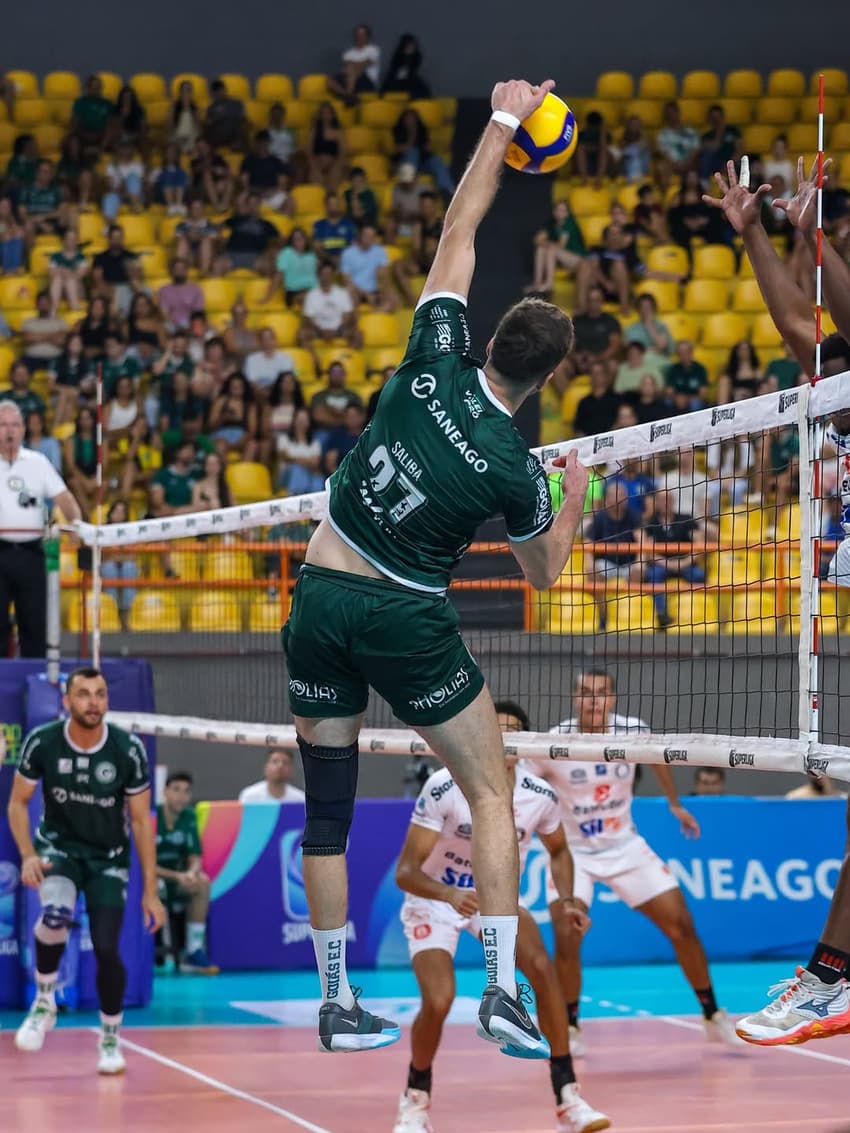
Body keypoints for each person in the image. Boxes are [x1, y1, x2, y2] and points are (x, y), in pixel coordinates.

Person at [280, 78, 587, 1057]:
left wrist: (500, 119)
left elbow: (459, 230)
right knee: (494, 788)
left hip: (320, 592)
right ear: (545, 377)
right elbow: (542, 573)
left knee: (326, 806)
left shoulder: (430, 357)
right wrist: (572, 494)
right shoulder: (514, 465)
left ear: (487, 337)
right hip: (403, 617)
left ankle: (335, 1004)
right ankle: (500, 987)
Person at [704, 157, 850, 1046]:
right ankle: (830, 976)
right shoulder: (836, 385)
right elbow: (803, 324)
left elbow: (826, 310)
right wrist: (757, 232)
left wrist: (814, 235)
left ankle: (830, 977)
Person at [392, 700, 608, 1133]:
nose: (505, 739)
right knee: (439, 1000)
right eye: (497, 730)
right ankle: (414, 1101)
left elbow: (561, 851)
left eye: (514, 732)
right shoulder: (443, 786)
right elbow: (406, 873)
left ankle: (568, 1096)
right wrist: (449, 894)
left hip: (494, 898)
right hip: (436, 898)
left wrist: (567, 899)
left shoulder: (540, 795)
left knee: (543, 972)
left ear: (526, 742)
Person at [528, 669, 743, 1055]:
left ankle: (712, 1013)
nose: (594, 700)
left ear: (613, 699)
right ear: (574, 699)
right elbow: (523, 788)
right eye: (586, 693)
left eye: (602, 693)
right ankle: (571, 1024)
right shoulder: (551, 744)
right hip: (572, 854)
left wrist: (674, 803)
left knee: (682, 926)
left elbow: (658, 760)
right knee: (567, 936)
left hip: (625, 846)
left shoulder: (634, 731)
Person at [8, 668, 165, 1072]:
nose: (93, 702)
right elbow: (17, 803)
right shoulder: (43, 742)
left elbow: (143, 821)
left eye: (100, 694)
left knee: (108, 948)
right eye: (83, 694)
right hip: (58, 848)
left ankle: (110, 1039)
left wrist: (150, 891)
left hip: (109, 857)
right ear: (67, 701)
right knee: (56, 915)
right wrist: (27, 853)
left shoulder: (126, 749)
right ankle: (45, 1000)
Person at [0, 402, 81, 656]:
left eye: (14, 425)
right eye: (3, 425)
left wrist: (76, 524)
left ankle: (34, 682)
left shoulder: (38, 462)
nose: (9, 431)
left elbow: (64, 498)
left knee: (35, 623)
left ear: (24, 430)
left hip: (32, 554)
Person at [155, 771, 218, 973]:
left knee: (202, 883)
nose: (181, 796)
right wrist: (176, 876)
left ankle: (194, 950)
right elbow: (144, 864)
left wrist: (191, 873)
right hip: (152, 881)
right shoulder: (152, 816)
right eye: (176, 790)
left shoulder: (189, 816)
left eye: (186, 791)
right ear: (165, 791)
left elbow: (195, 856)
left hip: (177, 880)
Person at [239, 748, 306, 803]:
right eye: (275, 761)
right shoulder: (249, 796)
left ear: (291, 770)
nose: (280, 766)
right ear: (266, 767)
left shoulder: (300, 800)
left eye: (285, 762)